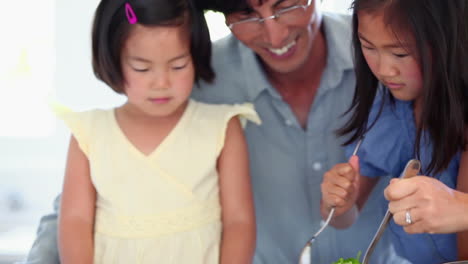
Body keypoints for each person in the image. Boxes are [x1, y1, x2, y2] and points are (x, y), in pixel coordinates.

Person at [26, 0, 404, 263]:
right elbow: (89, 198)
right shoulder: (195, 80)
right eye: (246, 15)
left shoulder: (385, 58)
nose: (273, 35)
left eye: (286, 5)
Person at [51, 0, 260, 263]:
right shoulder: (89, 133)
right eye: (142, 68)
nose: (161, 83)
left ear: (196, 56)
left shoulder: (222, 127)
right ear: (113, 61)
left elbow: (239, 222)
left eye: (178, 66)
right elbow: (75, 221)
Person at [321, 0, 468, 263]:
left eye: (400, 54)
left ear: (447, 40)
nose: (384, 70)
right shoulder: (388, 111)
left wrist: (461, 209)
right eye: (368, 47)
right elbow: (346, 216)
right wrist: (338, 203)